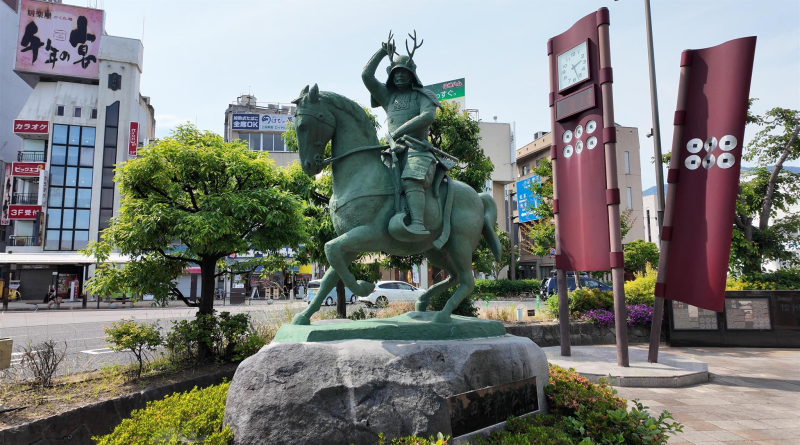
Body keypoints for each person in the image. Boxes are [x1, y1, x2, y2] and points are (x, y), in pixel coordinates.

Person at [362, 31, 442, 235]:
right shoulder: (388, 97)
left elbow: (428, 116)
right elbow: (366, 76)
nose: (399, 75)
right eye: (395, 72)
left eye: (403, 72)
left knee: (411, 178)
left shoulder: (423, 95)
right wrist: (382, 51)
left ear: (412, 74)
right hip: (392, 150)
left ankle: (417, 223)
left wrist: (399, 130)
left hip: (417, 149)